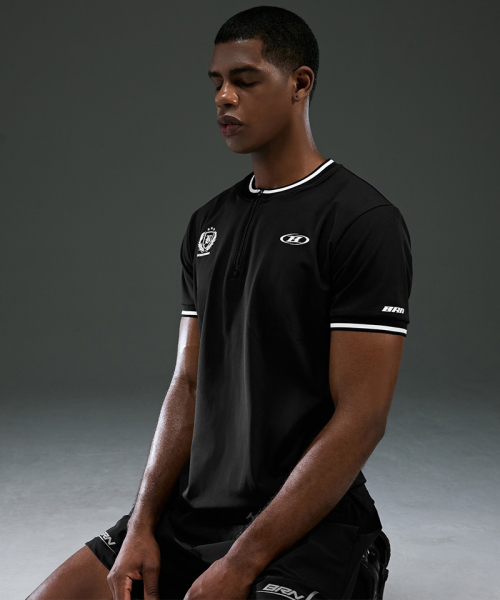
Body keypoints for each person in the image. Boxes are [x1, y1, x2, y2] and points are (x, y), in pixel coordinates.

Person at [26, 6, 412, 600]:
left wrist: (241, 563)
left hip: (310, 526)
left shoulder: (362, 221)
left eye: (245, 80)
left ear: (300, 84)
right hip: (195, 514)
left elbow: (362, 418)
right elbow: (187, 383)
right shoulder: (207, 223)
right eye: (216, 83)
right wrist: (142, 524)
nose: (224, 98)